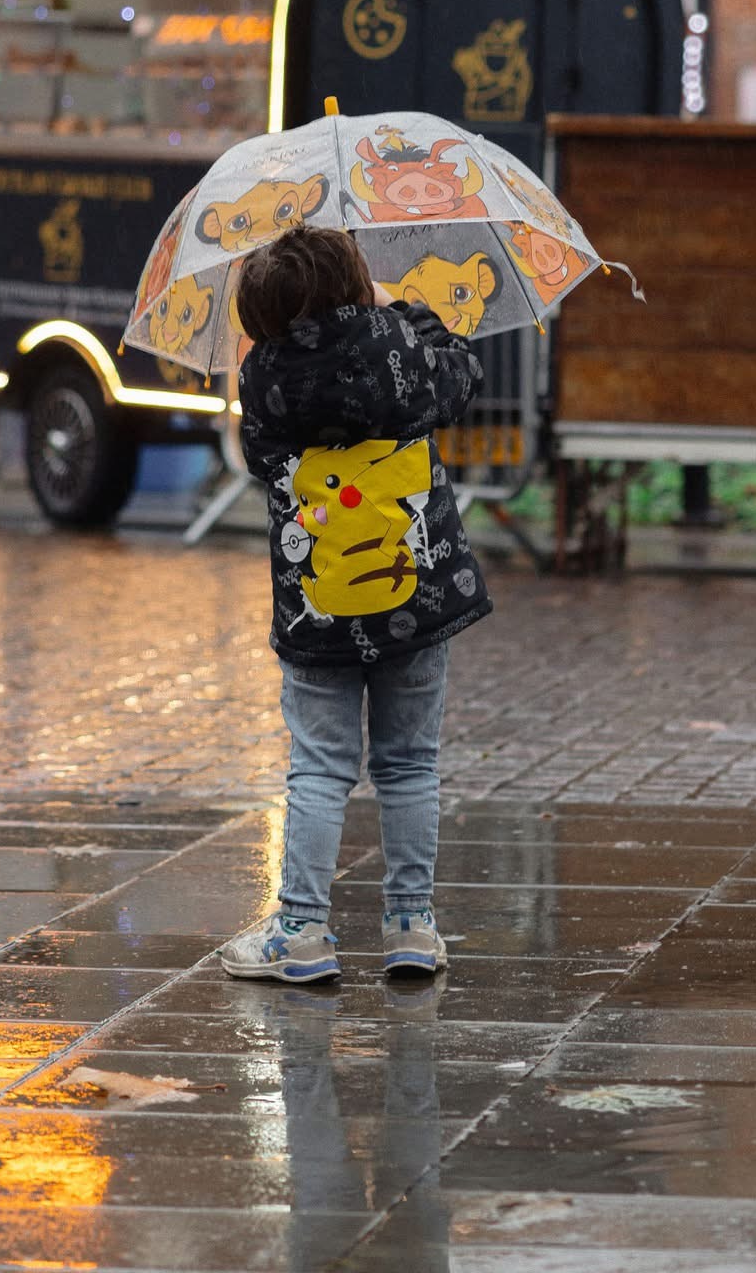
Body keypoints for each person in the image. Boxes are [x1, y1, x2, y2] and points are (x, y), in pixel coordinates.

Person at [220, 224, 491, 985]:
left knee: (318, 769)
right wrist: (406, 312)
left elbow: (258, 460)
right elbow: (462, 379)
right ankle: (411, 925)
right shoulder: (397, 344)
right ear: (353, 282)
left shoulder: (264, 376)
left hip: (319, 609)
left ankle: (302, 928)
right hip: (417, 596)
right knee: (409, 765)